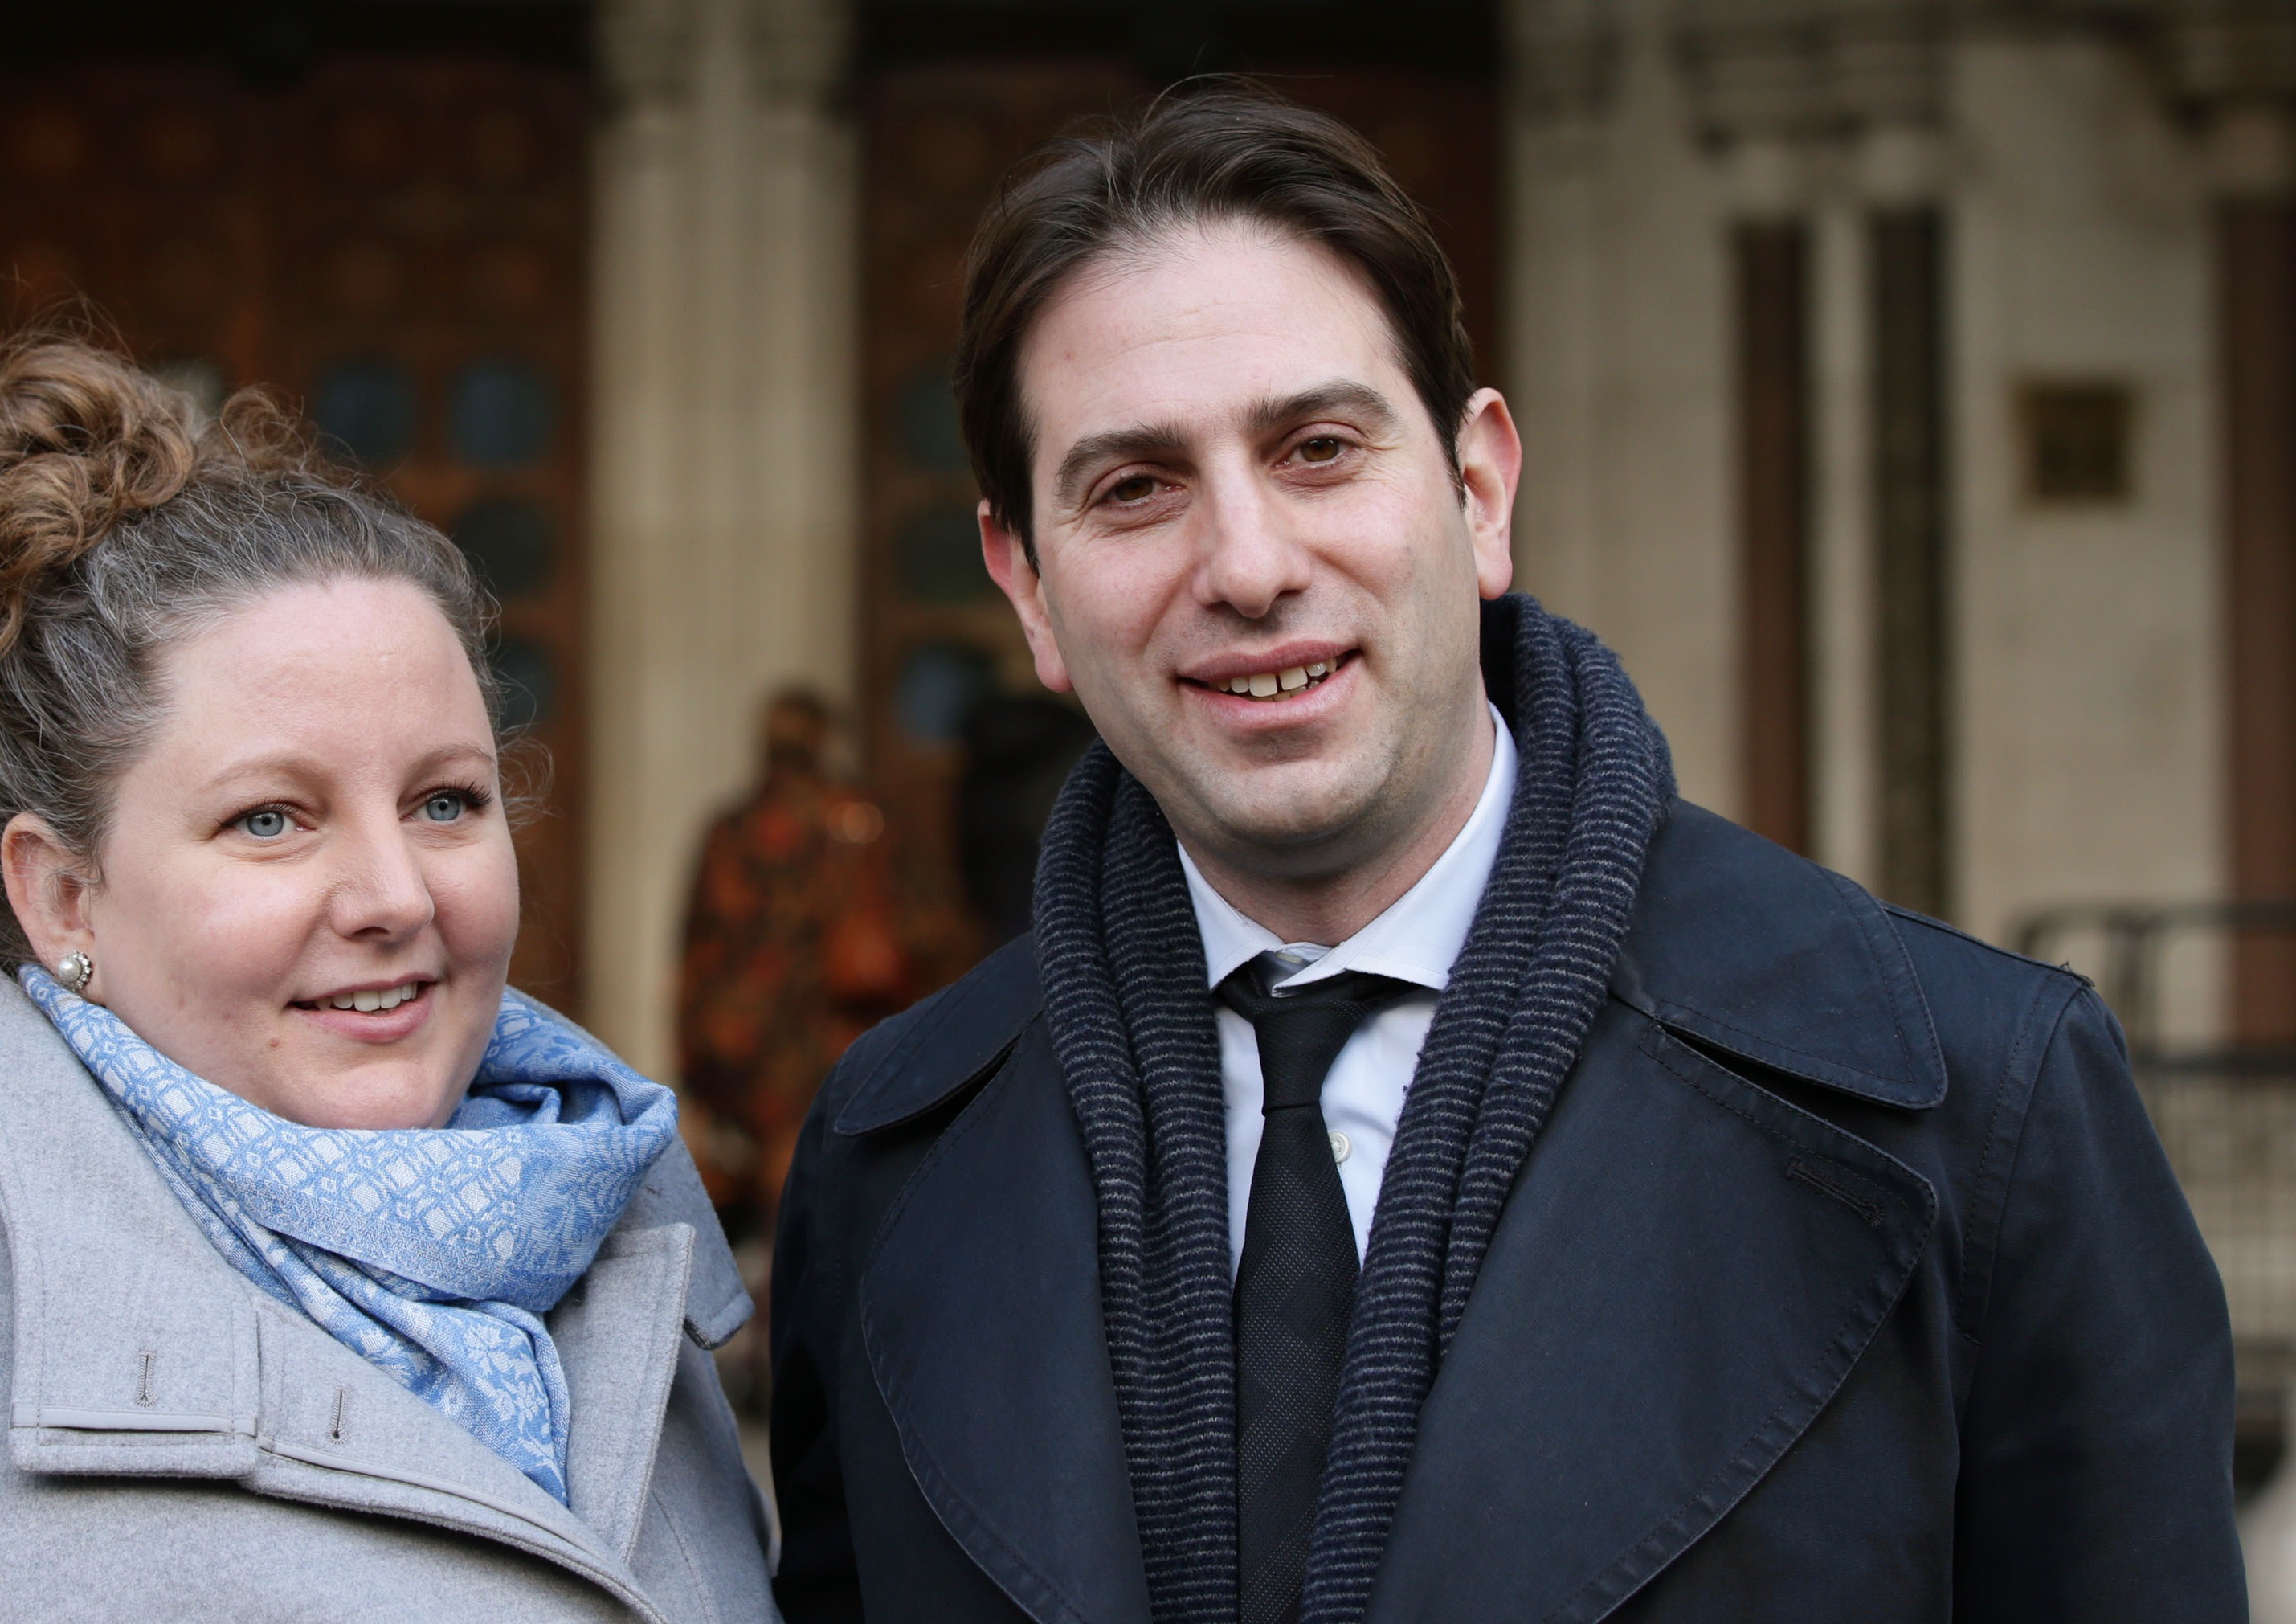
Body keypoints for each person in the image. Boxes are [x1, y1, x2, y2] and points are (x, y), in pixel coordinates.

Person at [769, 85, 2242, 1623]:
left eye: (1319, 448)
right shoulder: (885, 1170)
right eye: (1135, 488)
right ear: (1025, 585)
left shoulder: (1982, 1112)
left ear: (1477, 491)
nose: (1249, 567)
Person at [0, 339, 774, 1622]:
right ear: (62, 895)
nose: (395, 896)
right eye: (271, 819)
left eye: (444, 801)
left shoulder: (631, 1281)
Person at [676, 688, 909, 1230]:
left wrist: (692, 1060)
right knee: (823, 1177)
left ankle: (777, 1275)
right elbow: (901, 925)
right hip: (829, 1030)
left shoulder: (731, 830)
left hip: (744, 1034)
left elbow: (698, 951)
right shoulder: (854, 820)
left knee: (775, 1176)